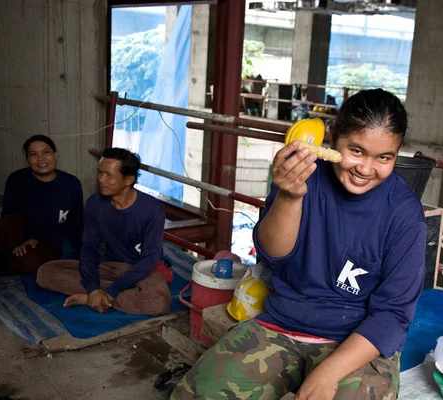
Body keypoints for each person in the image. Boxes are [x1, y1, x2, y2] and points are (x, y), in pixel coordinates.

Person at [171, 89, 427, 399]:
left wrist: (327, 373)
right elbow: (272, 254)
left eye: (384, 157)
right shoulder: (302, 175)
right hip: (283, 322)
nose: (366, 168)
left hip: (356, 341)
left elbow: (394, 316)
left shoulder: (404, 213)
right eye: (356, 151)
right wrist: (290, 195)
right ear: (333, 138)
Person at [36, 148, 171, 315]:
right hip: (109, 266)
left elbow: (150, 258)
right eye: (99, 173)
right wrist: (93, 287)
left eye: (108, 175)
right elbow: (89, 247)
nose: (101, 179)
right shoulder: (95, 204)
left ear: (129, 179)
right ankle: (98, 296)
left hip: (141, 270)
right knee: (45, 272)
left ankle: (95, 298)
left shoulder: (152, 208)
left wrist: (111, 290)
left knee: (159, 302)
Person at [0, 135, 83, 276]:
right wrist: (21, 241)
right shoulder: (16, 179)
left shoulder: (71, 184)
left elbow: (75, 225)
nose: (40, 158)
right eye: (33, 154)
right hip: (20, 235)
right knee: (2, 227)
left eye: (46, 152)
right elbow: (9, 218)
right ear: (28, 160)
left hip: (49, 239)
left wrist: (36, 240)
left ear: (56, 155)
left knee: (29, 262)